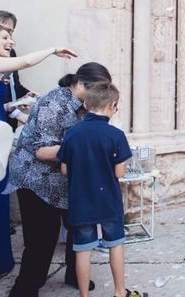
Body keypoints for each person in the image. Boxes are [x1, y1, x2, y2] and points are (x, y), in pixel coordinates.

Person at [4, 62, 112, 297]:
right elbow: (42, 151)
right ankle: (25, 288)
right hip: (36, 179)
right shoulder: (54, 103)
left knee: (80, 227)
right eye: (98, 90)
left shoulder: (87, 104)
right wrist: (84, 145)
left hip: (67, 179)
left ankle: (75, 274)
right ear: (81, 84)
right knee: (42, 237)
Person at [0, 24, 77, 282]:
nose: (11, 42)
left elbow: (1, 106)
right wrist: (53, 50)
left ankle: (0, 263)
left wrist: (19, 104)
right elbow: (28, 61)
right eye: (5, 37)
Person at [57, 82, 147, 297]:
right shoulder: (115, 135)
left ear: (86, 104)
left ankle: (83, 295)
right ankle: (118, 292)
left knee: (82, 249)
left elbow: (64, 169)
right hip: (108, 199)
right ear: (112, 105)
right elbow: (118, 173)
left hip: (81, 199)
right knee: (115, 244)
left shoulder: (72, 133)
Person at [0, 10, 37, 129]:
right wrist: (53, 50)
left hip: (7, 118)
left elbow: (14, 85)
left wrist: (24, 97)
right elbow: (27, 61)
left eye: (9, 31)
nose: (8, 37)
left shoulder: (10, 52)